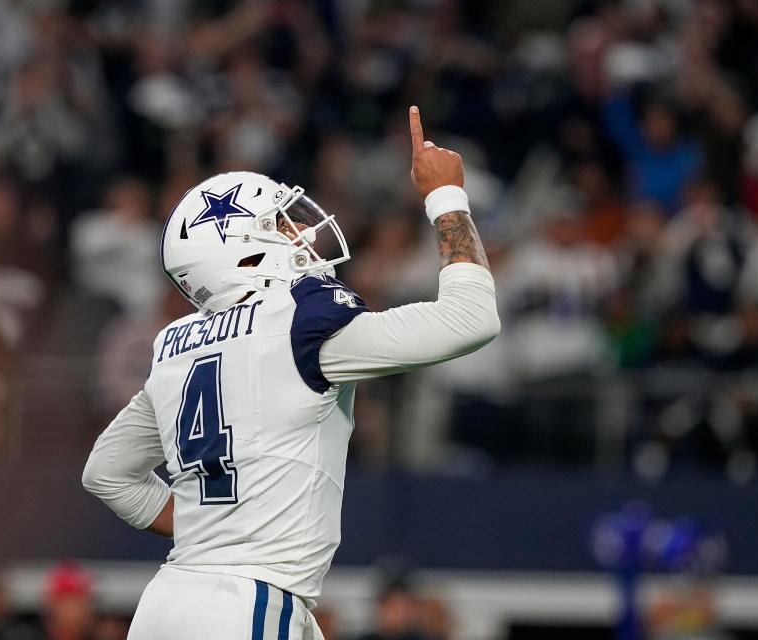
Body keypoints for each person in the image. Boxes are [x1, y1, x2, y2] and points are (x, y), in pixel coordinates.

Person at [81, 105, 500, 639]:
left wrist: (209, 537)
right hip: (249, 600)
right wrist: (446, 196)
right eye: (280, 222)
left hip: (166, 604)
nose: (302, 228)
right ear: (243, 253)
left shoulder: (173, 345)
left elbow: (107, 472)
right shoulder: (300, 320)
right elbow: (471, 318)